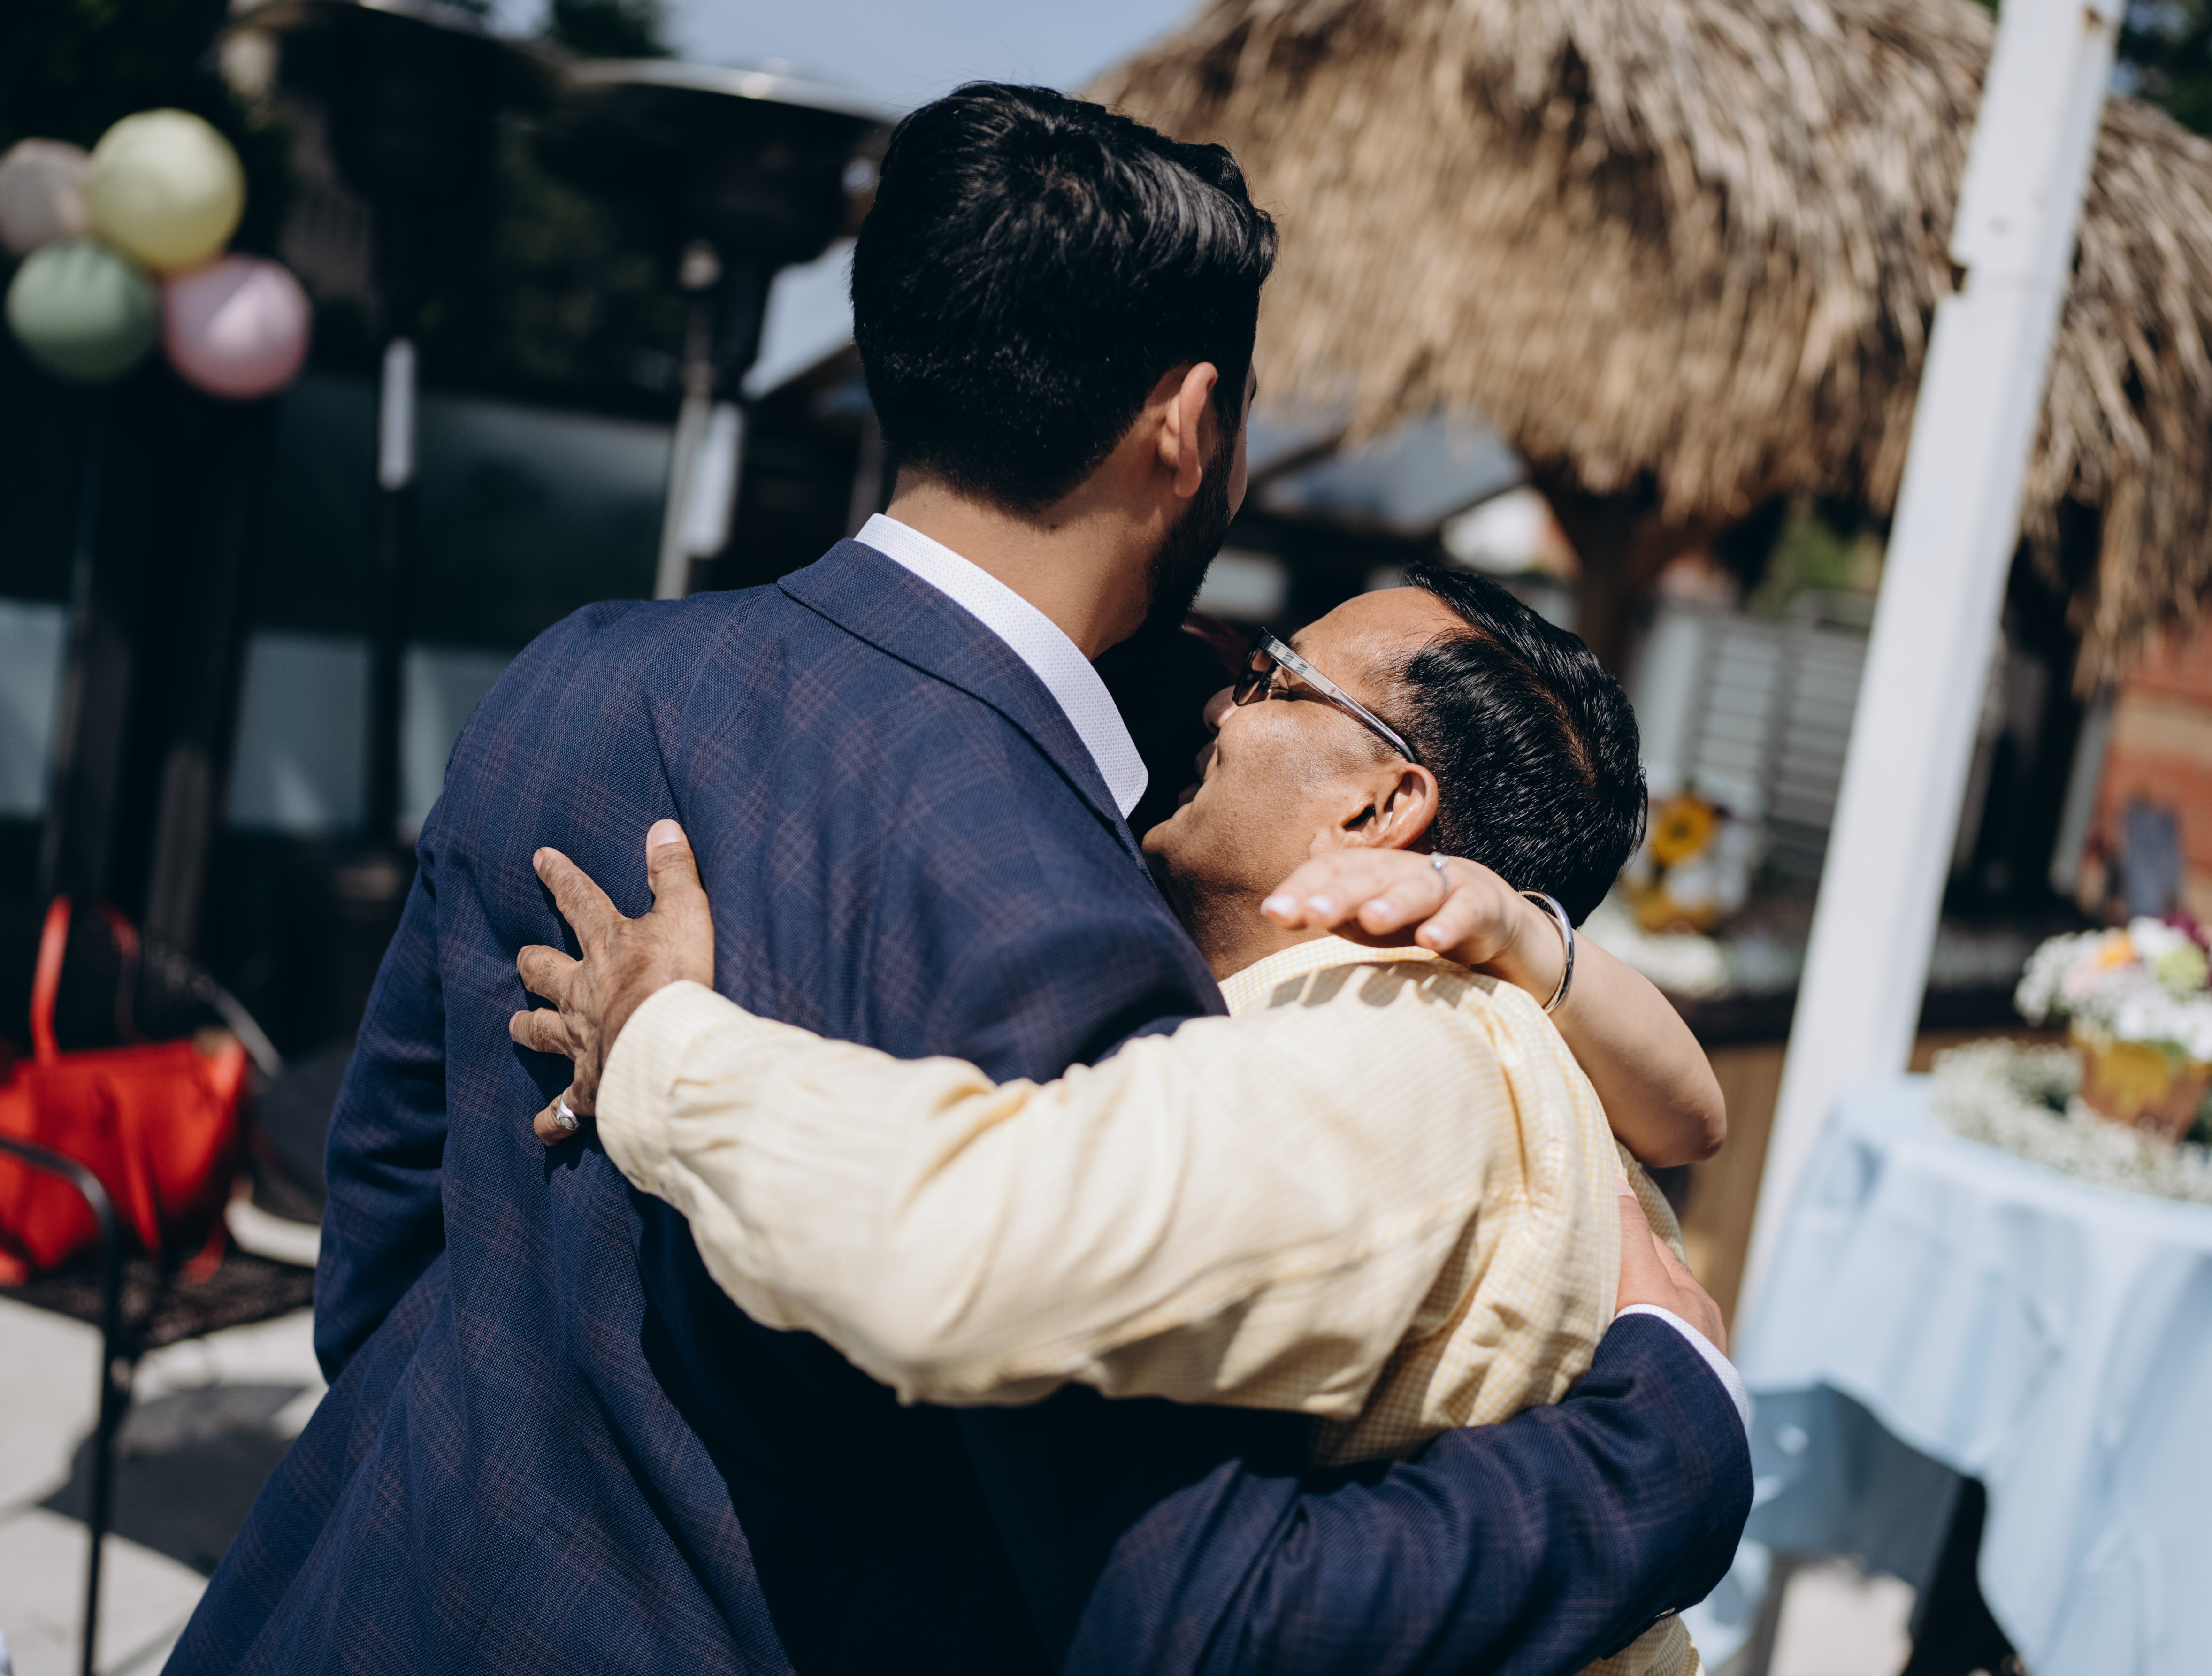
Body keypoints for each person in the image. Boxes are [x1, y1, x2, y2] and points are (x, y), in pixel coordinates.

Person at [168, 84, 1747, 1676]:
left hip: (343, 1603)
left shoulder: (581, 669)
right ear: (1188, 424)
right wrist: (1672, 1428)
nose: (1227, 692)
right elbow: (1175, 1599)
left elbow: (386, 1216)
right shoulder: (1072, 926)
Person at [508, 563, 1747, 1672]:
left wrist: (660, 1039)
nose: (1221, 708)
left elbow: (958, 1245)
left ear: (1380, 809)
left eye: (1274, 678)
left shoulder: (1401, 1037)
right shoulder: (1463, 1027)